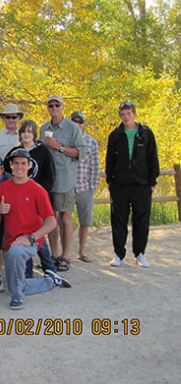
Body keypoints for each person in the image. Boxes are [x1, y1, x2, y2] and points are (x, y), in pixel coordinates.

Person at [0, 149, 72, 310]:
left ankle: (17, 298)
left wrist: (31, 238)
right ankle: (49, 281)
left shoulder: (37, 190)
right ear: (11, 166)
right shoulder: (3, 188)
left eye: (23, 163)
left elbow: (51, 222)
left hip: (31, 241)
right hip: (9, 241)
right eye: (16, 163)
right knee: (14, 283)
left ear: (29, 166)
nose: (19, 167)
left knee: (15, 261)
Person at [106, 101, 159, 268]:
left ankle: (140, 253)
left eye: (128, 113)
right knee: (119, 221)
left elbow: (152, 158)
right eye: (122, 114)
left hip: (141, 185)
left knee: (141, 220)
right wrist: (110, 181)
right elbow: (110, 160)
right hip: (120, 185)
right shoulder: (115, 135)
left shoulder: (146, 134)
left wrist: (152, 181)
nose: (125, 117)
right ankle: (119, 254)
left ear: (134, 114)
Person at [4, 121, 58, 278]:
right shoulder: (15, 152)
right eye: (24, 132)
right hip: (21, 200)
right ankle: (26, 271)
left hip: (38, 198)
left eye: (30, 132)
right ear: (20, 134)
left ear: (34, 134)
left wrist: (37, 191)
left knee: (38, 232)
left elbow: (50, 176)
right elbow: (6, 168)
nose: (26, 135)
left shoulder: (43, 151)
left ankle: (49, 268)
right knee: (24, 234)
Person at [40, 95, 85, 272]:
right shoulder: (44, 128)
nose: (54, 108)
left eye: (57, 105)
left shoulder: (72, 128)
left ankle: (66, 257)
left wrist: (59, 146)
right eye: (50, 105)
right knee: (50, 219)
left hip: (65, 179)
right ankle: (54, 255)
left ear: (62, 107)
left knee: (65, 217)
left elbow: (81, 153)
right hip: (48, 181)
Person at [70, 111, 99, 263]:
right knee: (64, 222)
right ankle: (65, 253)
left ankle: (81, 252)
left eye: (80, 122)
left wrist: (92, 187)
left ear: (84, 124)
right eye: (74, 121)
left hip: (84, 188)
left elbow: (95, 167)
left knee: (84, 222)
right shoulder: (65, 141)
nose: (77, 124)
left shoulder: (91, 142)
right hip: (68, 188)